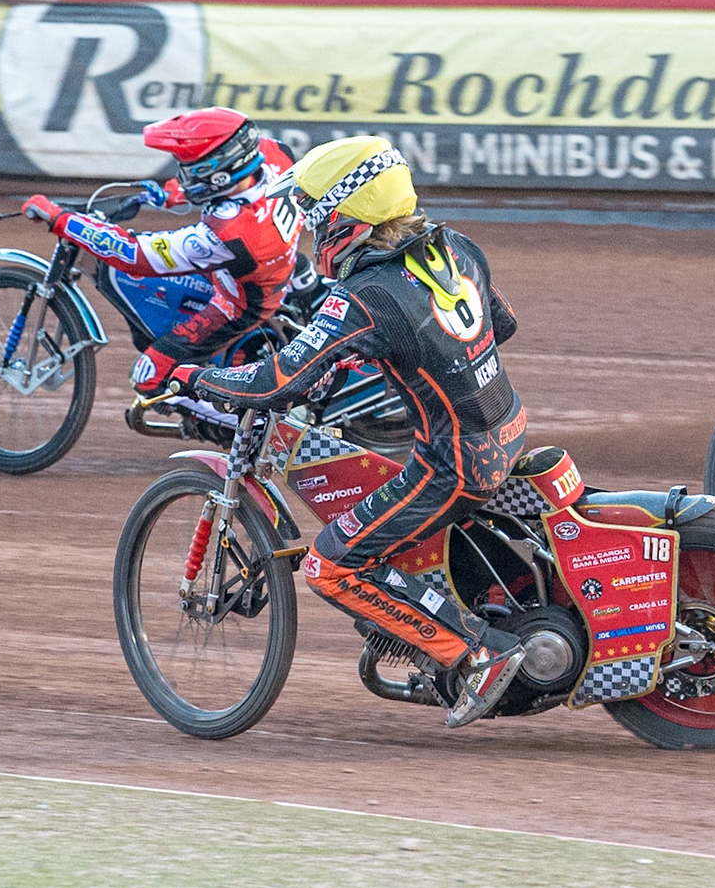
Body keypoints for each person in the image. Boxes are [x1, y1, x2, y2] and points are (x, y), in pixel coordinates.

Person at [169, 136, 531, 728]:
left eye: (317, 218)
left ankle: (477, 653)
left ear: (346, 216)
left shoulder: (365, 296)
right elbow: (503, 323)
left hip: (455, 465)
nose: (313, 232)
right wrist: (405, 349)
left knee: (330, 565)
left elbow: (276, 382)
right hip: (507, 427)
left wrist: (199, 377)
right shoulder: (458, 247)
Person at [21, 108, 300, 402]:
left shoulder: (229, 233)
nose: (184, 176)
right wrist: (170, 194)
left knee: (147, 376)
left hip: (239, 306)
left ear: (218, 174)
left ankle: (230, 420)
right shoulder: (275, 154)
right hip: (276, 265)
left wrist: (61, 219)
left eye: (190, 169)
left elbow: (134, 255)